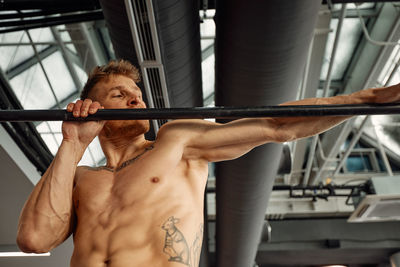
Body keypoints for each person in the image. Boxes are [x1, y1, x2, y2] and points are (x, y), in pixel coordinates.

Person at [16, 59, 400, 267]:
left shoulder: (176, 140)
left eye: (137, 93)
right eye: (120, 94)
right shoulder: (80, 176)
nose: (136, 100)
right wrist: (71, 144)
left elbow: (276, 126)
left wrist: (367, 98)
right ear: (93, 108)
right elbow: (34, 240)